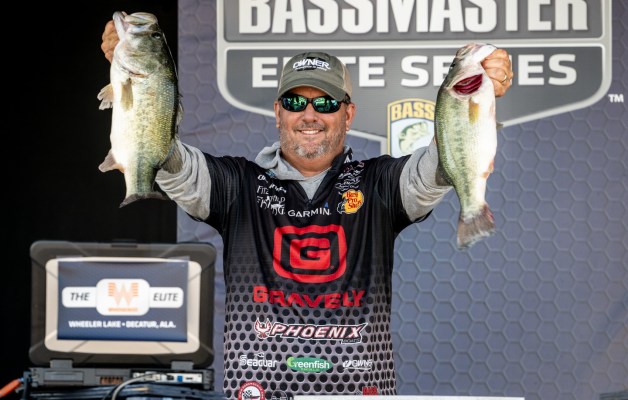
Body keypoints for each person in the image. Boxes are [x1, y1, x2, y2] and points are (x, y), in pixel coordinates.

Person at [101, 17, 513, 400]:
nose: (309, 115)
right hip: (258, 392)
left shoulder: (380, 185)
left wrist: (474, 91)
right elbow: (168, 158)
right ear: (278, 112)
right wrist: (145, 76)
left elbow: (441, 164)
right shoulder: (237, 185)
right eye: (295, 101)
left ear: (348, 114)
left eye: (326, 103)